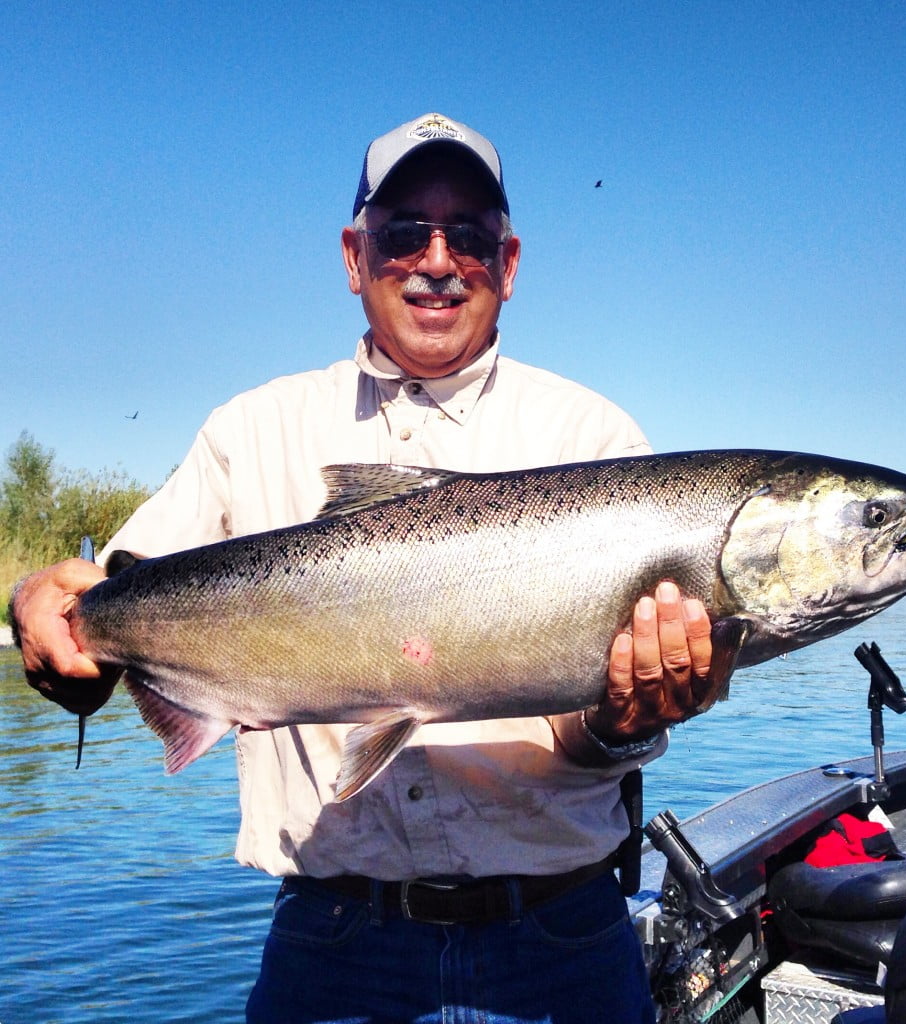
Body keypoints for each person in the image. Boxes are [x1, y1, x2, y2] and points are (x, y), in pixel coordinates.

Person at [11, 112, 717, 1024]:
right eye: (402, 234)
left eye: (468, 235)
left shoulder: (599, 444)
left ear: (507, 265)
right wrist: (39, 599)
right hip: (332, 944)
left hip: (563, 937)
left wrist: (626, 724)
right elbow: (106, 590)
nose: (436, 258)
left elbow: (595, 741)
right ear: (354, 256)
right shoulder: (249, 430)